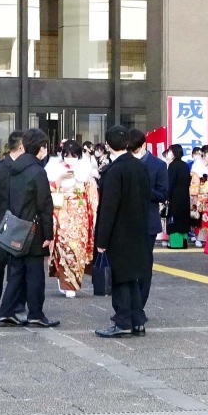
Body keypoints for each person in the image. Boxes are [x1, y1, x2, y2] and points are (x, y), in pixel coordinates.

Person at [0, 128, 58, 328]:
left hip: (16, 227)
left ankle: (6, 311)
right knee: (35, 274)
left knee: (16, 272)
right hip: (34, 228)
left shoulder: (14, 169)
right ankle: (36, 313)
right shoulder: (38, 171)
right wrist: (48, 234)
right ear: (41, 148)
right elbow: (44, 205)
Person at [94, 126, 151, 338]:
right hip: (139, 229)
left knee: (120, 279)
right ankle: (138, 320)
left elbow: (108, 208)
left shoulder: (114, 171)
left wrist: (102, 239)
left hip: (119, 233)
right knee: (133, 277)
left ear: (108, 145)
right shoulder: (140, 167)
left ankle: (123, 321)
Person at [46, 140, 99, 297]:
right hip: (61, 214)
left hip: (80, 216)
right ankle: (65, 281)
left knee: (78, 250)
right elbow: (46, 191)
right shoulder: (53, 169)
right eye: (66, 155)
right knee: (63, 248)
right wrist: (59, 181)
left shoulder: (86, 171)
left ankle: (71, 282)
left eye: (73, 155)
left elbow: (93, 198)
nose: (70, 158)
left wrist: (93, 217)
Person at [0, 131, 25, 314]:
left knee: (18, 265)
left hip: (22, 221)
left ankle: (16, 301)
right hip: (2, 222)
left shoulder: (27, 167)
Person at [130, 130, 168, 307]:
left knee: (144, 264)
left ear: (143, 145)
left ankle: (140, 305)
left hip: (147, 221)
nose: (132, 153)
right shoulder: (123, 162)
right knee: (127, 264)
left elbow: (163, 193)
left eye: (135, 150)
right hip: (126, 223)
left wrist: (144, 189)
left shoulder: (158, 165)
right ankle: (128, 303)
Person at [165, 145, 191, 249]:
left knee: (174, 219)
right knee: (183, 218)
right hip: (184, 196)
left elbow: (169, 183)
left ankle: (175, 243)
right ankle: (184, 242)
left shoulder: (172, 165)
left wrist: (166, 197)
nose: (169, 153)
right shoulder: (185, 165)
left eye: (170, 151)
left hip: (175, 197)